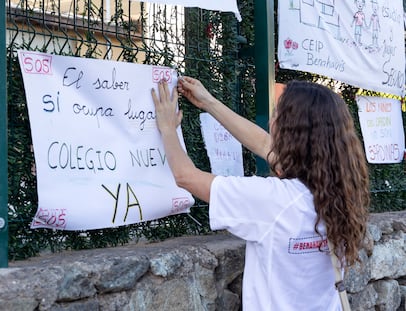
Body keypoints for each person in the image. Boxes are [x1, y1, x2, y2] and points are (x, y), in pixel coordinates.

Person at [151, 77, 370, 310]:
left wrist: (167, 129)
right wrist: (208, 102)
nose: (272, 119)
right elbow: (264, 145)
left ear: (291, 130)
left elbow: (186, 176)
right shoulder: (340, 191)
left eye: (278, 113)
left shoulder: (274, 200)